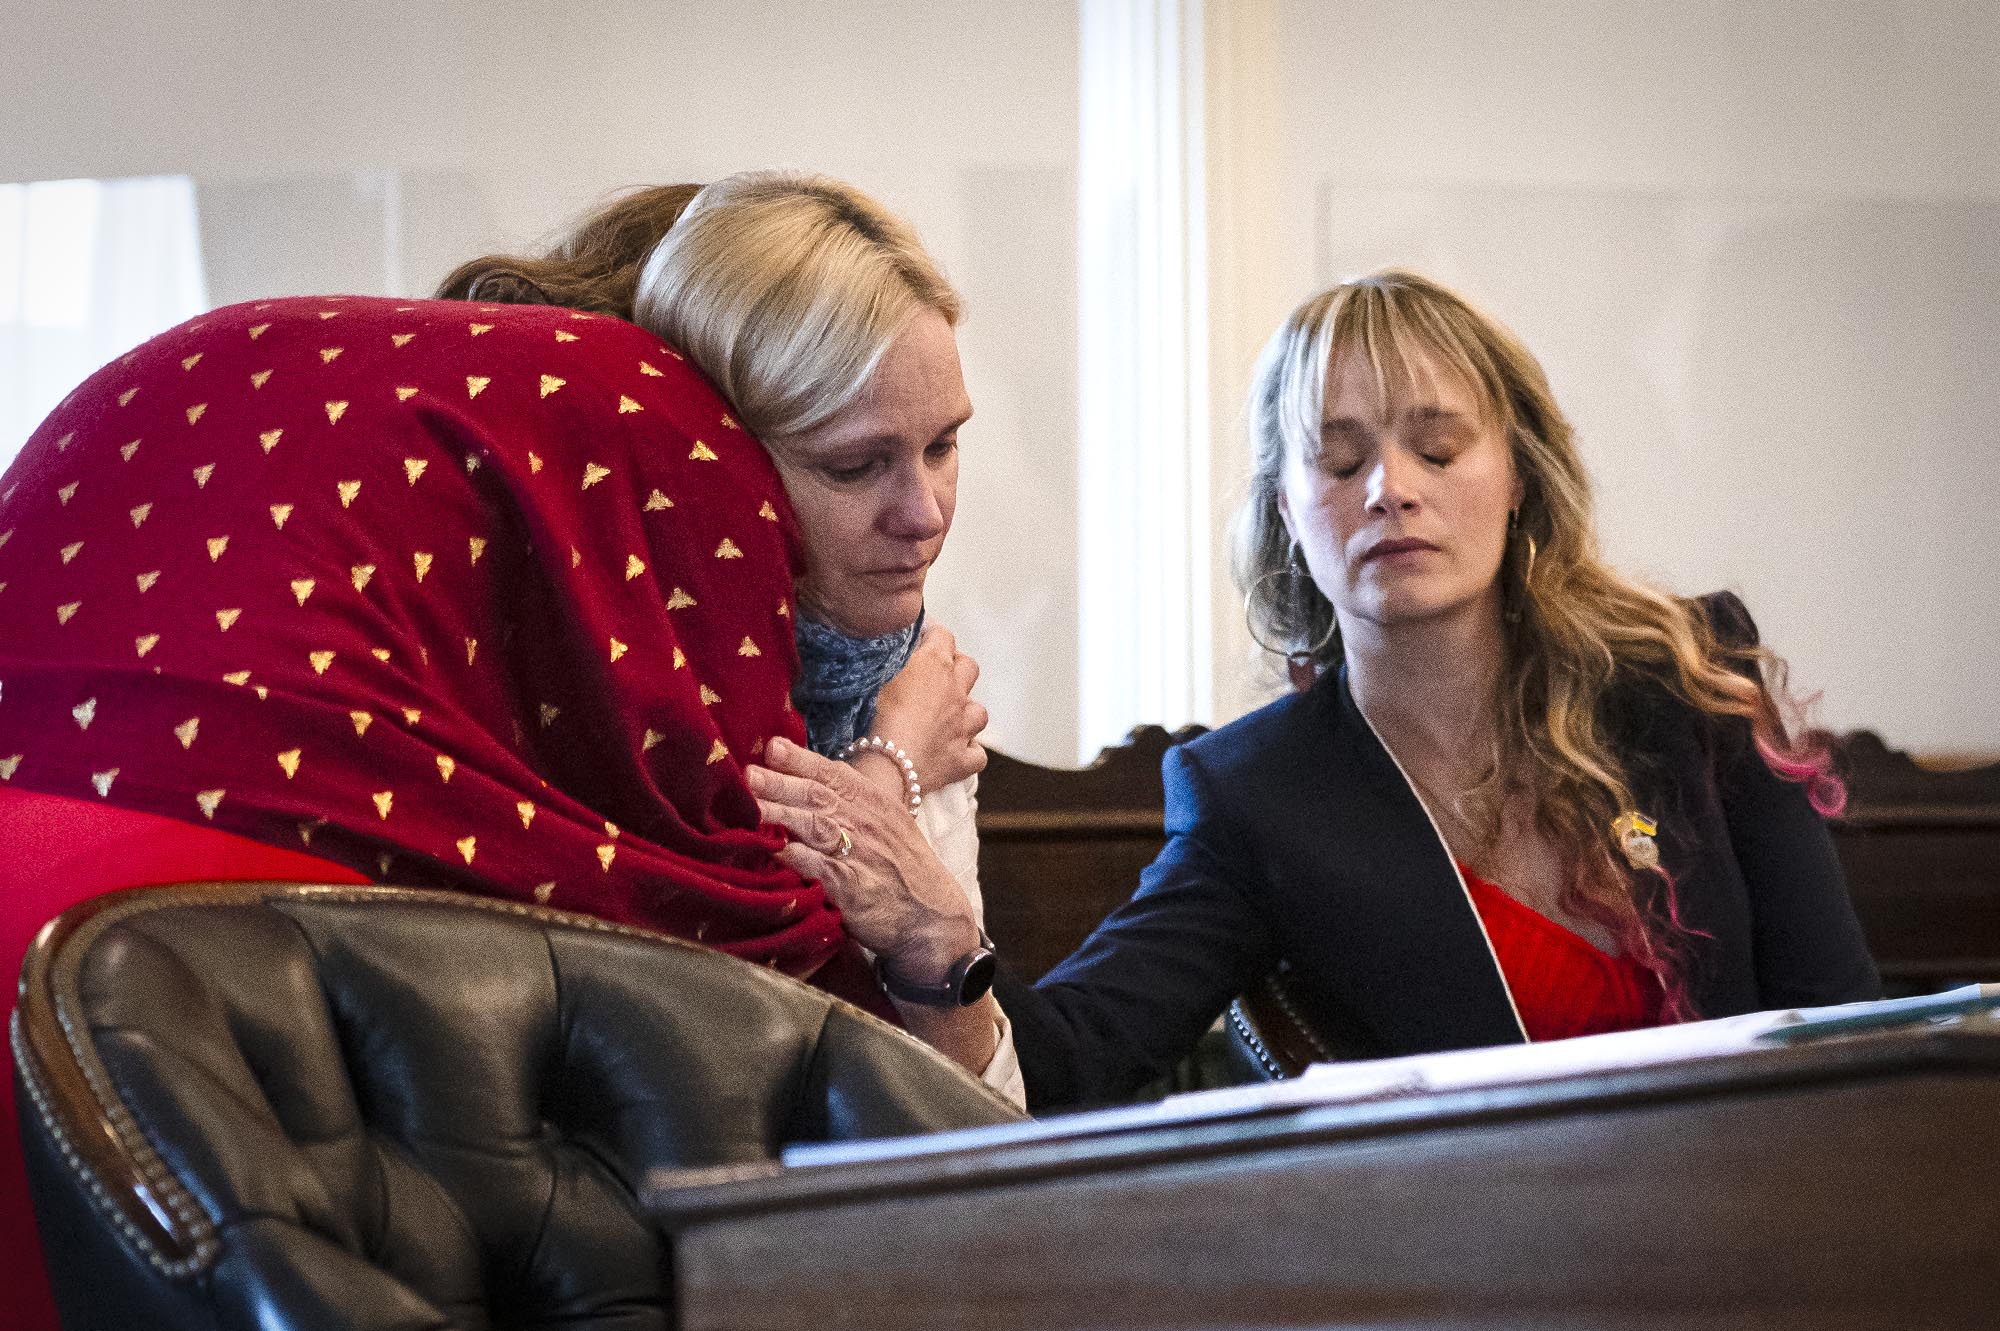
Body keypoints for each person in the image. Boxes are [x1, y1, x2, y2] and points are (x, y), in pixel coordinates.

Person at [0, 170, 1014, 1330]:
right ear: (699, 465)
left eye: (944, 444)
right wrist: (885, 773)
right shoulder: (576, 640)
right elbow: (768, 1034)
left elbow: (997, 1136)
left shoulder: (914, 688)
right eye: (852, 463)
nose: (924, 512)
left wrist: (921, 874)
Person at [753, 268, 1881, 1114]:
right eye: (1339, 461)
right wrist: (939, 943)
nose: (1391, 489)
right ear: (1287, 508)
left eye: (1438, 448)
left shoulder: (1686, 681)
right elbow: (1068, 1063)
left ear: (1518, 474)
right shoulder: (1258, 795)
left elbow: (1852, 1032)